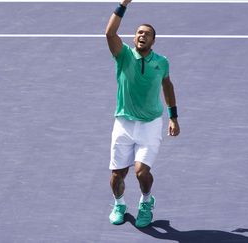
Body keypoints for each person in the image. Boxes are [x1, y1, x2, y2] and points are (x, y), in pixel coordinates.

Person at [105, 0, 180, 228]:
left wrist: (173, 116)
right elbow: (110, 33)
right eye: (138, 32)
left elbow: (167, 86)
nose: (141, 35)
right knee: (117, 174)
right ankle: (119, 204)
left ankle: (146, 201)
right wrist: (123, 5)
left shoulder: (162, 62)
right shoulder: (124, 56)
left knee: (140, 172)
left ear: (153, 40)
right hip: (124, 123)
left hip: (150, 124)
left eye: (146, 33)